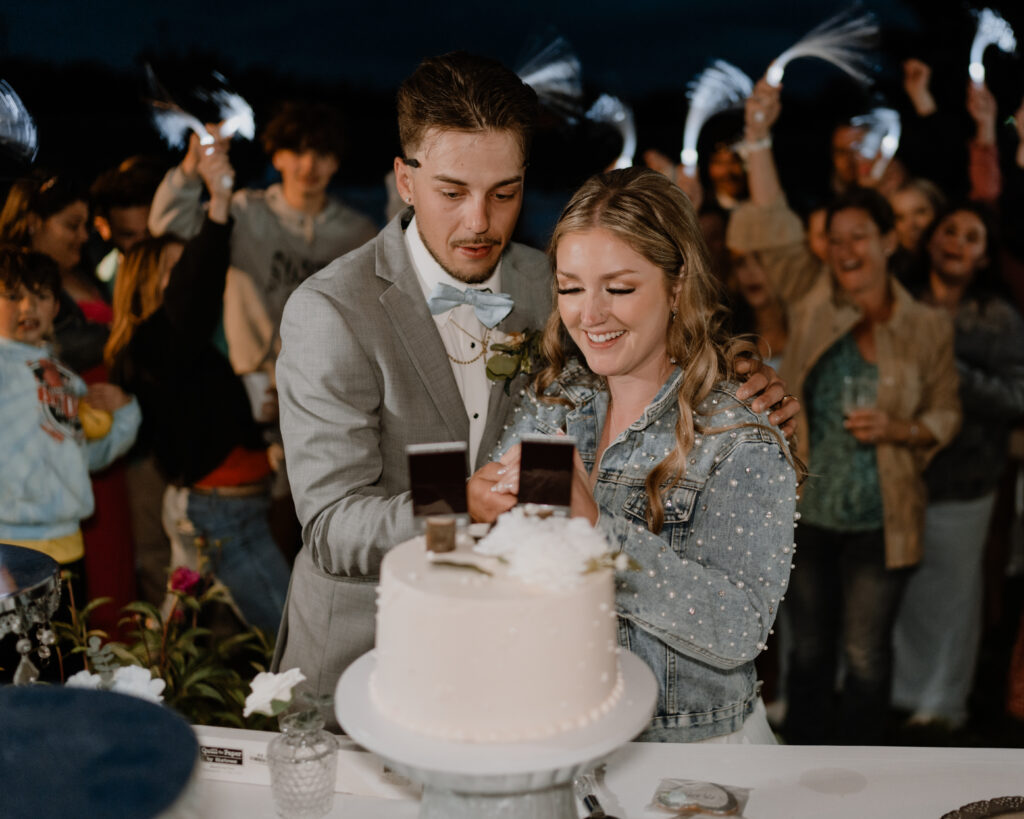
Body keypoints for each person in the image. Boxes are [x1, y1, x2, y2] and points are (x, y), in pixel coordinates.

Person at [272, 52, 800, 713]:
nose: (479, 223)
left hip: (512, 666)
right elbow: (330, 524)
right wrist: (463, 501)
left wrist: (736, 378)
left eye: (505, 192)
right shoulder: (330, 311)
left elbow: (637, 329)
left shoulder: (542, 280)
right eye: (452, 191)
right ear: (405, 180)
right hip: (362, 649)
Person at [469, 167, 798, 743]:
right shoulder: (558, 398)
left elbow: (741, 628)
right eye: (570, 288)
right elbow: (494, 511)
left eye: (618, 288)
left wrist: (598, 533)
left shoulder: (740, 436)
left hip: (684, 754)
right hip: (559, 729)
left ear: (677, 287)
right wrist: (481, 505)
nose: (589, 315)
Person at [106, 141, 290, 635]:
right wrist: (219, 201)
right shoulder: (152, 343)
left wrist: (260, 409)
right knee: (293, 635)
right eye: (175, 269)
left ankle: (149, 700)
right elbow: (195, 293)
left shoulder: (176, 348)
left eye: (187, 263)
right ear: (146, 284)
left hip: (214, 507)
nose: (188, 274)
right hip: (222, 516)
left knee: (175, 638)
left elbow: (201, 407)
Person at [892, 203, 1024, 729]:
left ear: (984, 255)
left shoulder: (995, 316)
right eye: (949, 230)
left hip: (967, 479)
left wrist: (952, 370)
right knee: (903, 590)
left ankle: (944, 702)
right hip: (899, 471)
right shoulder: (899, 301)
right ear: (929, 239)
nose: (956, 242)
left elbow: (1018, 395)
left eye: (971, 237)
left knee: (955, 594)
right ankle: (902, 695)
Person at [147, 100, 377, 383]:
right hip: (252, 386)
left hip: (330, 389)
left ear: (336, 162)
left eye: (322, 152)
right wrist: (191, 166)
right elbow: (166, 225)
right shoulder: (244, 212)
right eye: (297, 151)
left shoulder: (360, 234)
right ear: (276, 157)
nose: (308, 165)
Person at [0, 246, 139, 618]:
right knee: (17, 666)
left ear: (56, 306)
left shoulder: (64, 377)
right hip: (9, 546)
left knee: (66, 660)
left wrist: (126, 414)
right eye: (13, 296)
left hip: (69, 545)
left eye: (41, 296)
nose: (28, 307)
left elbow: (87, 457)